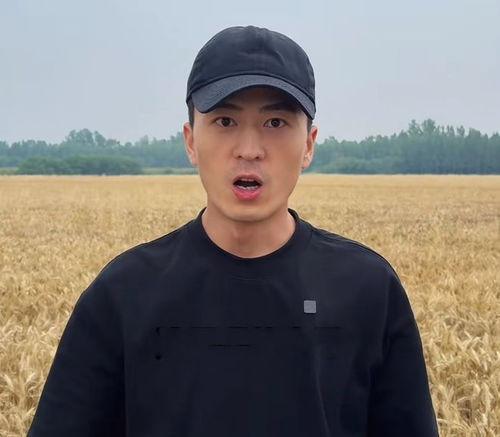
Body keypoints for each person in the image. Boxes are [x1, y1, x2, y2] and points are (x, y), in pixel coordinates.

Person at [27, 25, 440, 437]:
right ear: (191, 141)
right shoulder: (123, 295)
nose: (249, 149)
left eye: (275, 122)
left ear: (309, 144)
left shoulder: (367, 289)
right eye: (225, 121)